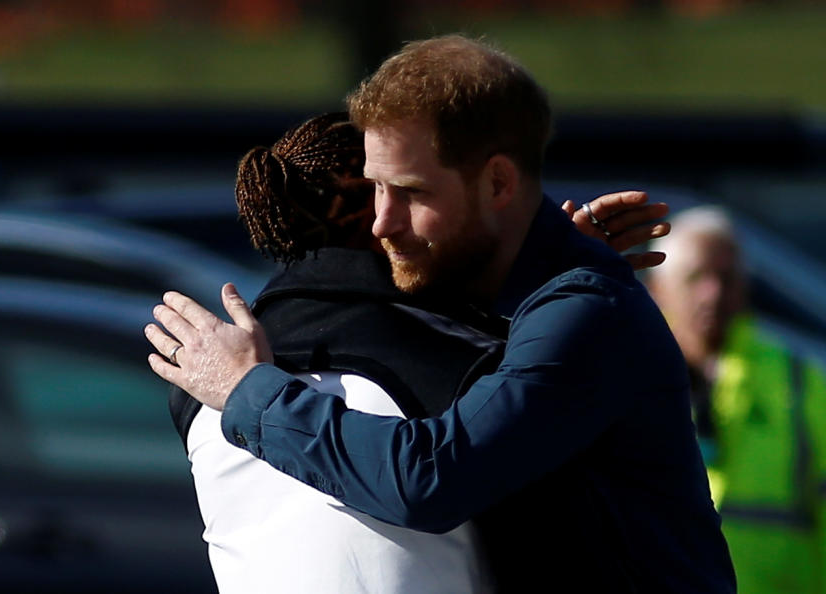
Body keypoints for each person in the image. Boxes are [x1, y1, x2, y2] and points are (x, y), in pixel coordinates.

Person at [147, 35, 736, 592]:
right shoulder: (554, 302)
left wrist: (248, 390)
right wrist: (551, 258)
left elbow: (429, 479)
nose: (382, 222)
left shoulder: (588, 315)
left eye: (411, 192)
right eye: (376, 187)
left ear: (498, 182)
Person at [645, 206, 826, 594]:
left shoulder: (799, 384)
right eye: (695, 277)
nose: (713, 293)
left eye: (725, 276)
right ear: (659, 290)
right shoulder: (630, 379)